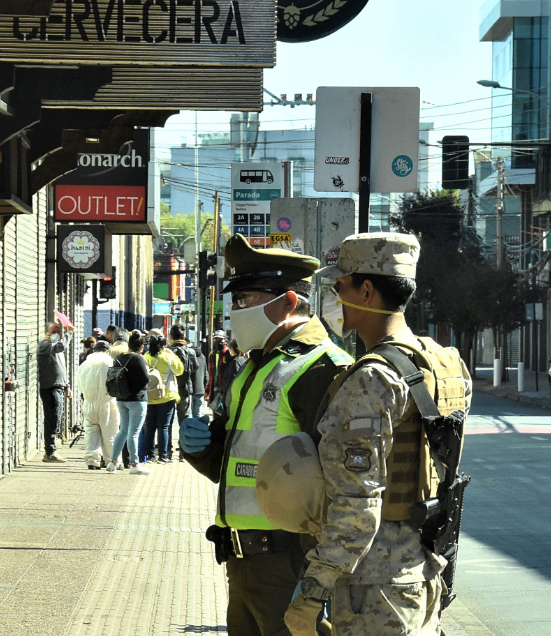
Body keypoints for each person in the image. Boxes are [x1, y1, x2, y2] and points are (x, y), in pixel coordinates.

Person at [285, 232, 471, 636]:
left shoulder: (372, 379)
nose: (335, 295)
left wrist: (313, 592)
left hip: (374, 590)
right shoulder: (446, 364)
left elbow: (357, 504)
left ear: (366, 291)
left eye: (340, 285)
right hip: (424, 570)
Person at [178, 234, 352, 636]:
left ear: (288, 302)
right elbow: (231, 462)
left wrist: (321, 577)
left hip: (290, 562)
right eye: (236, 300)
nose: (236, 311)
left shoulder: (322, 368)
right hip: (242, 561)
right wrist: (200, 447)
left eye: (246, 299)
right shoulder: (254, 366)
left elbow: (344, 484)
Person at [106, 332, 153, 475]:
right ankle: (134, 464)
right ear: (141, 347)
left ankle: (113, 462)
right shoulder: (138, 358)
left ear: (128, 344)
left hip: (121, 398)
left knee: (123, 431)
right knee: (134, 433)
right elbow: (146, 379)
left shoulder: (120, 357)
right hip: (137, 399)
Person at [142, 329, 185, 463]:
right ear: (163, 345)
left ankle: (150, 455)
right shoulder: (167, 356)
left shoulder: (146, 356)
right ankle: (163, 455)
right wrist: (172, 355)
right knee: (164, 427)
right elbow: (179, 370)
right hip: (166, 395)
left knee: (150, 427)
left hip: (149, 396)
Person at [75, 340, 118, 470]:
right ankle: (111, 461)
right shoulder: (110, 363)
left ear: (94, 350)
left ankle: (92, 461)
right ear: (107, 351)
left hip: (89, 403)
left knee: (91, 432)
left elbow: (79, 383)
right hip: (107, 403)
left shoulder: (84, 365)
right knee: (110, 434)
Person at [37, 321, 74, 463]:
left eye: (58, 332)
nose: (56, 335)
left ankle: (50, 450)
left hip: (58, 387)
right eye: (53, 332)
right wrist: (69, 333)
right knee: (52, 420)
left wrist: (67, 386)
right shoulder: (45, 345)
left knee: (56, 419)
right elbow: (61, 346)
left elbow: (61, 368)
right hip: (50, 388)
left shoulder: (54, 347)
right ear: (46, 333)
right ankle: (50, 452)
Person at [168, 324, 205, 457]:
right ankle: (183, 451)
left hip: (169, 390)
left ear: (171, 337)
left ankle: (167, 451)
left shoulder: (167, 352)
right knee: (184, 421)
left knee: (168, 422)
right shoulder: (190, 352)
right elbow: (195, 367)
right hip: (185, 389)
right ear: (184, 337)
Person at [205, 330, 236, 406]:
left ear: (225, 340)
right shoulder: (212, 355)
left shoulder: (228, 354)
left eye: (220, 339)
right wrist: (207, 390)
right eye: (216, 339)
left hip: (224, 389)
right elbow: (210, 374)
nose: (218, 341)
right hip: (214, 389)